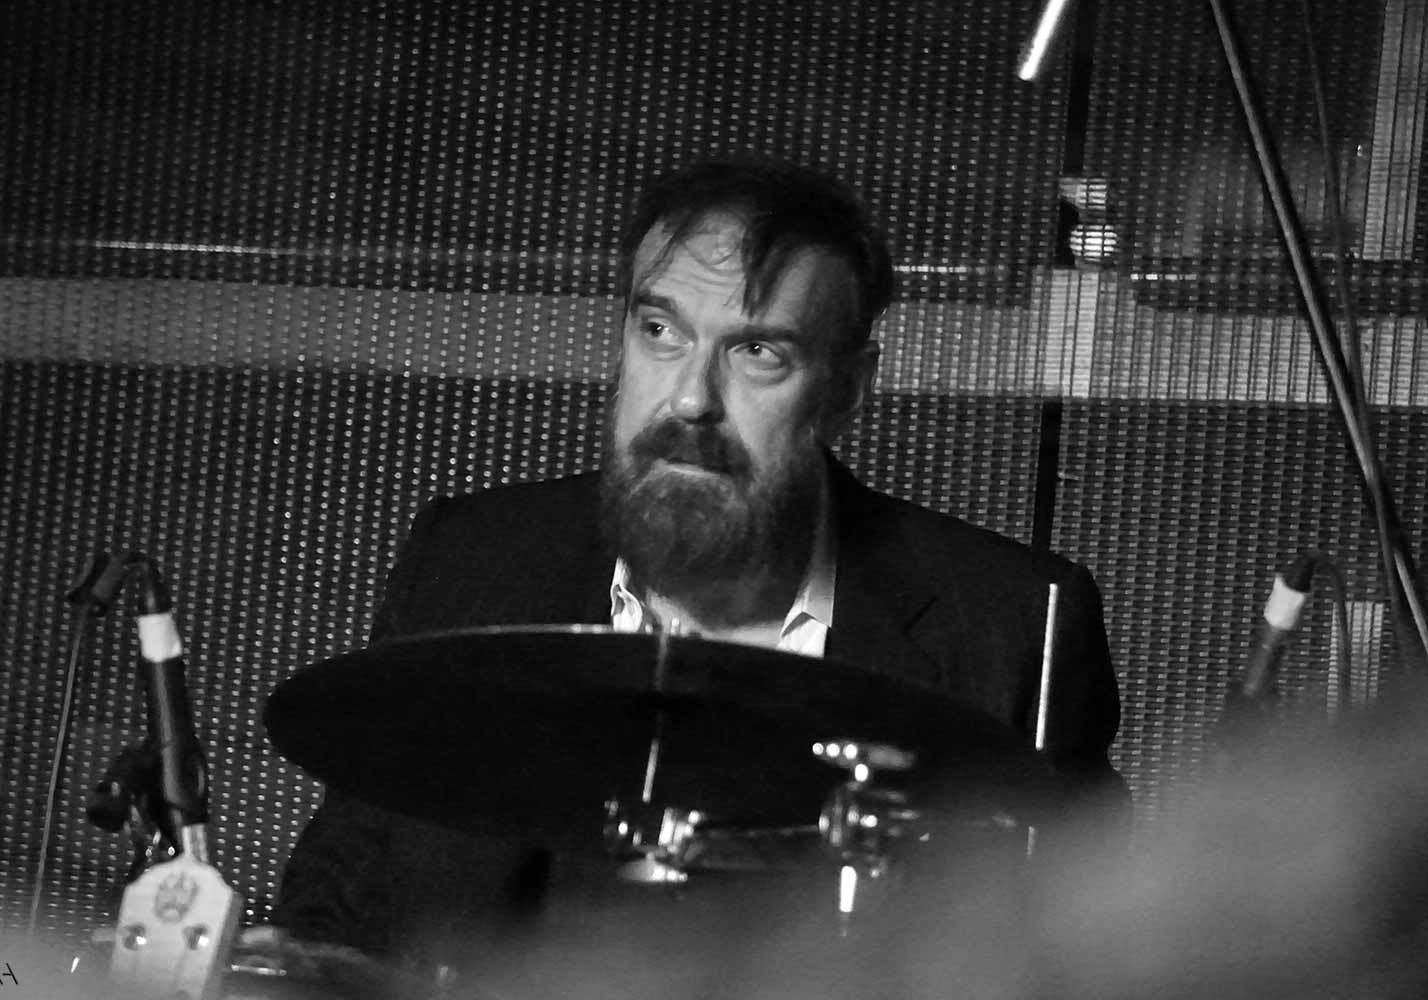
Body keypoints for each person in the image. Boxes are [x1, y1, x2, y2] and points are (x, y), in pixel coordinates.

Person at [272, 159, 1126, 970]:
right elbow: (338, 915)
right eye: (660, 332)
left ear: (846, 388)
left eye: (758, 353)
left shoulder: (1017, 628)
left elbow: (1091, 965)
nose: (690, 399)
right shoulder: (469, 559)